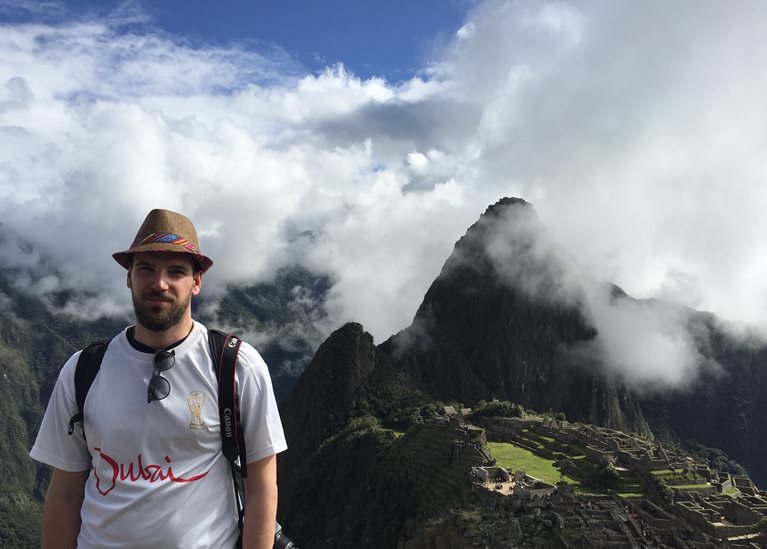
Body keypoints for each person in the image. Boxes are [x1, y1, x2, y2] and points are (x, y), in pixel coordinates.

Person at [30, 209, 288, 549]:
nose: (159, 283)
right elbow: (65, 491)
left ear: (197, 282)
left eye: (176, 271)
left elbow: (262, 486)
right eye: (146, 269)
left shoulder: (237, 366)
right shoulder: (84, 370)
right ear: (129, 277)